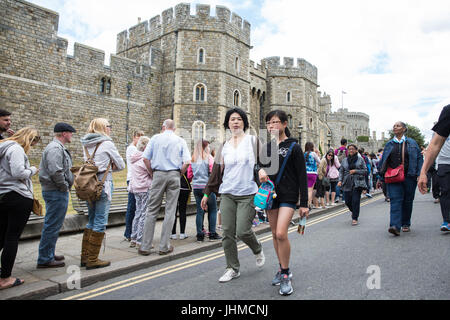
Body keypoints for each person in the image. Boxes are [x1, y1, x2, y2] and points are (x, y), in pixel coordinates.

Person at [201, 107, 265, 283]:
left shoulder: (254, 141)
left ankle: (257, 248)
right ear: (227, 124)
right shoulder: (224, 146)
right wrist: (207, 193)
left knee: (243, 231)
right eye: (232, 119)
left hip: (248, 193)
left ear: (244, 122)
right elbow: (216, 172)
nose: (235, 121)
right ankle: (232, 268)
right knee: (228, 232)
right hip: (228, 192)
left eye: (238, 119)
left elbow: (265, 163)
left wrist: (263, 172)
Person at [258, 110, 309, 296]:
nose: (271, 126)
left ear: (285, 124)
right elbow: (259, 165)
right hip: (271, 196)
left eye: (275, 122)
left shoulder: (294, 147)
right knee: (273, 234)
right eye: (269, 123)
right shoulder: (267, 147)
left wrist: (304, 203)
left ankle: (286, 274)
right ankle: (281, 268)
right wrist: (260, 171)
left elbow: (302, 176)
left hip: (288, 196)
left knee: (281, 233)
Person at [138, 119, 191, 256]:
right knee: (170, 210)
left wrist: (152, 173)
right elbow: (187, 162)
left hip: (158, 174)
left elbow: (145, 158)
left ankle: (145, 246)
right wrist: (179, 173)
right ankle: (164, 246)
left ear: (163, 127)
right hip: (174, 174)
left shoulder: (155, 138)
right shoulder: (180, 140)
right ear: (174, 129)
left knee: (152, 210)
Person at [80, 118, 125, 269]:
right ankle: (93, 259)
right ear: (103, 128)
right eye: (108, 126)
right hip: (103, 185)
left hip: (88, 185)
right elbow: (121, 165)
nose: (110, 128)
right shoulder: (107, 144)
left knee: (91, 220)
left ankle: (85, 257)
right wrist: (109, 167)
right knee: (100, 221)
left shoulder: (85, 144)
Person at [0, 127, 40, 289]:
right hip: (18, 196)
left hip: (3, 195)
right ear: (29, 139)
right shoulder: (16, 149)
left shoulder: (3, 147)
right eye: (33, 143)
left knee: (2, 236)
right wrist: (33, 169)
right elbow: (19, 173)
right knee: (12, 237)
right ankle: (5, 278)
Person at [36, 123, 76, 268]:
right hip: (56, 191)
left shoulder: (57, 147)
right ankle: (45, 258)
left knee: (53, 225)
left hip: (56, 191)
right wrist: (64, 187)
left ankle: (49, 253)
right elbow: (56, 171)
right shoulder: (54, 148)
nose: (72, 136)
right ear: (65, 133)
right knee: (52, 225)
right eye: (71, 133)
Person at [378, 121, 423, 236]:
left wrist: (420, 174)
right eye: (394, 126)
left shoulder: (412, 143)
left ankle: (406, 223)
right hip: (393, 177)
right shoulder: (389, 144)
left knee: (407, 200)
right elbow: (383, 161)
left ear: (404, 129)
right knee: (395, 200)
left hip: (409, 176)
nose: (395, 127)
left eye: (398, 126)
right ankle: (395, 226)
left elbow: (419, 158)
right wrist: (381, 176)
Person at [418, 105, 450, 231]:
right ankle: (447, 220)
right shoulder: (448, 111)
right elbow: (435, 144)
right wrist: (423, 172)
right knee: (446, 191)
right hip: (445, 162)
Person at [188, 140, 221, 242]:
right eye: (208, 146)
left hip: (196, 187)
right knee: (212, 210)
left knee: (200, 211)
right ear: (205, 147)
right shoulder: (209, 158)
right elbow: (213, 172)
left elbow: (189, 175)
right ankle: (212, 234)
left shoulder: (192, 159)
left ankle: (200, 235)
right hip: (207, 188)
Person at [128, 136, 151, 249]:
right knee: (144, 214)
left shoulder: (134, 158)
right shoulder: (144, 159)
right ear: (146, 146)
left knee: (138, 213)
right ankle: (140, 240)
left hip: (136, 188)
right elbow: (150, 172)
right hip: (145, 188)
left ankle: (133, 237)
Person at [338, 144, 367, 226]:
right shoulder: (344, 160)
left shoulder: (360, 159)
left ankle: (355, 218)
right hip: (347, 183)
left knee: (355, 201)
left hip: (357, 183)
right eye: (349, 149)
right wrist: (340, 180)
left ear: (356, 150)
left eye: (352, 149)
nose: (351, 150)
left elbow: (365, 171)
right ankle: (354, 211)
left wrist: (355, 171)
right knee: (347, 201)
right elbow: (341, 171)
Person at [124, 130, 144, 242]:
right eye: (139, 137)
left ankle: (132, 231)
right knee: (132, 207)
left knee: (136, 207)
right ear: (134, 137)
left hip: (136, 179)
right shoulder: (132, 149)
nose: (140, 140)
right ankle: (129, 232)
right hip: (133, 179)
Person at [171, 169, 192, 240]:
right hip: (184, 188)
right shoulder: (186, 160)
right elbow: (190, 175)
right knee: (182, 211)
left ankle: (173, 234)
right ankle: (182, 233)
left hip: (173, 187)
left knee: (173, 211)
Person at [304, 142, 320, 209]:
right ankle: (309, 204)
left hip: (305, 173)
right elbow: (319, 161)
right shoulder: (313, 154)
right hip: (313, 173)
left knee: (306, 190)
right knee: (310, 190)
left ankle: (305, 203)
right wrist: (318, 154)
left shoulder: (303, 154)